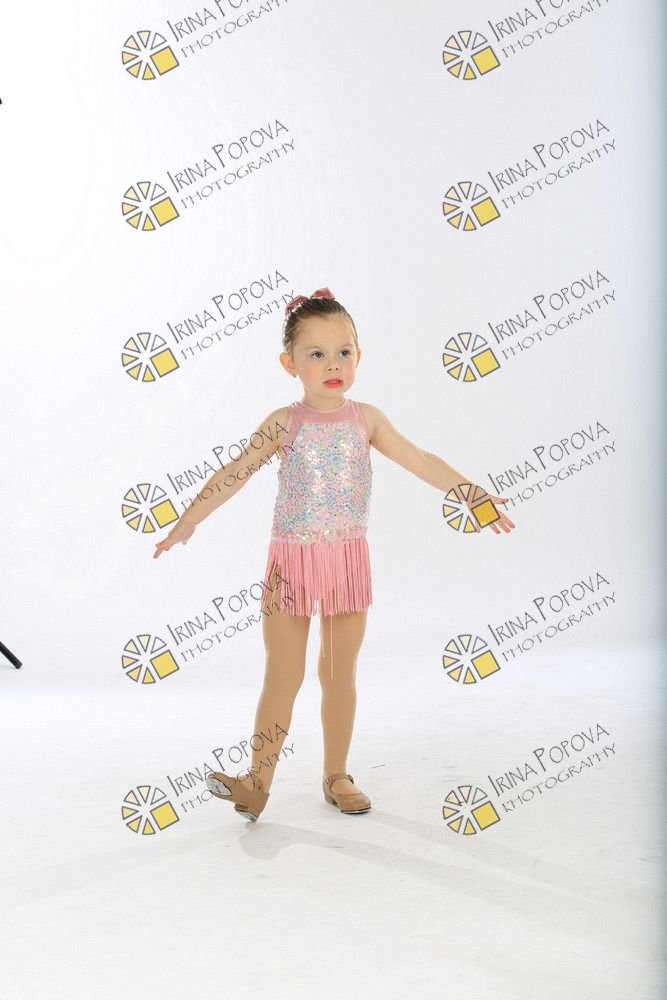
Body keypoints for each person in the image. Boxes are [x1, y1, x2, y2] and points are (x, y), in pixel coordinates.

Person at [153, 287, 515, 821]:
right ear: (289, 363)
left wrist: (469, 492)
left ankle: (337, 774)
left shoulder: (367, 419)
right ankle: (257, 782)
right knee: (283, 675)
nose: (332, 365)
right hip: (291, 564)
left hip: (347, 563)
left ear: (359, 356)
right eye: (316, 354)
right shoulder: (284, 422)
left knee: (338, 675)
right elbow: (235, 472)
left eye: (343, 352)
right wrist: (190, 519)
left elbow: (420, 458)